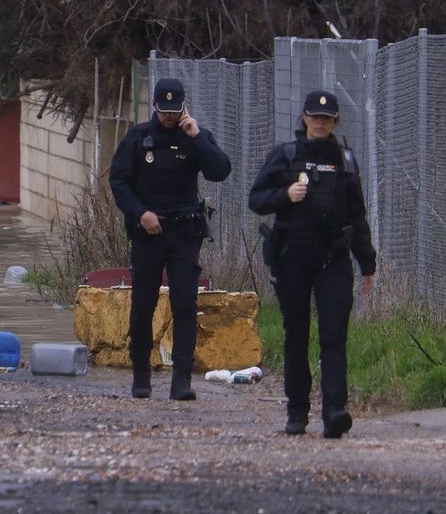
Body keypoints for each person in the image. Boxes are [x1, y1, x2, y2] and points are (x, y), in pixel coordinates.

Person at [248, 90, 375, 438]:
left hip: (333, 257)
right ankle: (297, 411)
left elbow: (357, 214)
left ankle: (334, 410)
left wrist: (368, 263)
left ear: (334, 122)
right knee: (297, 335)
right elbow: (256, 199)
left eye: (327, 118)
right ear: (304, 119)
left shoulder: (345, 160)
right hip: (294, 257)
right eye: (314, 117)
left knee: (333, 335)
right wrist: (284, 196)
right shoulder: (286, 156)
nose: (320, 123)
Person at [108, 77, 232, 401]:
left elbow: (220, 171)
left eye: (174, 111)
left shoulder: (193, 136)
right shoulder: (138, 138)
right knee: (144, 303)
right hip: (148, 231)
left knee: (185, 303)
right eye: (163, 111)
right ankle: (141, 375)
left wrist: (197, 138)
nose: (168, 117)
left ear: (182, 107)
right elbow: (119, 181)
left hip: (183, 233)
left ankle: (181, 380)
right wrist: (139, 213)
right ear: (154, 107)